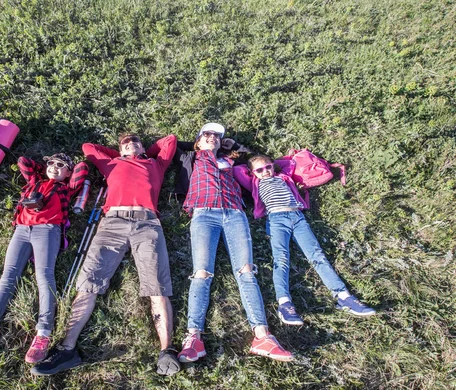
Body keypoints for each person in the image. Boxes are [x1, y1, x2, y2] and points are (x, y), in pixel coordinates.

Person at [31, 133, 181, 376]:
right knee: (88, 283)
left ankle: (167, 350)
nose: (130, 143)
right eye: (124, 142)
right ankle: (67, 349)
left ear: (143, 147)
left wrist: (141, 154)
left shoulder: (155, 163)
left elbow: (170, 140)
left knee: (158, 287)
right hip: (112, 223)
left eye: (135, 141)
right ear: (117, 149)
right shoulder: (111, 163)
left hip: (148, 222)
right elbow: (87, 146)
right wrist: (121, 156)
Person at [177, 123, 294, 363]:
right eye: (206, 135)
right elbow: (169, 144)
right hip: (204, 213)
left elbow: (249, 155)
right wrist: (199, 144)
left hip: (234, 214)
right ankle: (193, 337)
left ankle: (262, 336)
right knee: (201, 273)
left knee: (247, 272)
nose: (212, 138)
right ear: (197, 141)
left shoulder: (231, 162)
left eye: (217, 136)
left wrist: (230, 145)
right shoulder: (191, 156)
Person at [0, 153, 88, 363]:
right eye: (51, 163)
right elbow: (23, 161)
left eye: (61, 166)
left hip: (48, 230)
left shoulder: (67, 188)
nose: (55, 167)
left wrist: (65, 172)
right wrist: (45, 169)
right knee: (8, 276)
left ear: (68, 172)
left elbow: (83, 168)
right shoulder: (35, 182)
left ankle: (43, 333)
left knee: (44, 276)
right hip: (22, 230)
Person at [233, 154, 376, 326]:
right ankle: (285, 304)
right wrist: (254, 169)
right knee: (281, 259)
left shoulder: (284, 176)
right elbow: (237, 170)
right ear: (253, 172)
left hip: (298, 217)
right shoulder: (255, 183)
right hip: (276, 220)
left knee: (317, 256)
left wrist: (275, 164)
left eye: (268, 167)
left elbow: (291, 163)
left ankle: (343, 297)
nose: (265, 172)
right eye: (259, 170)